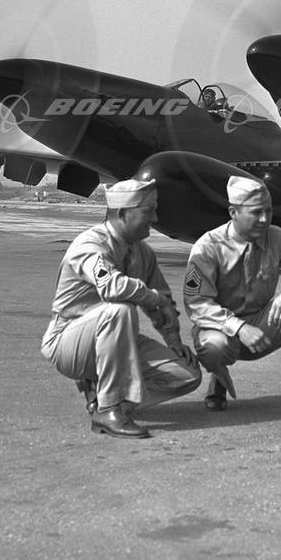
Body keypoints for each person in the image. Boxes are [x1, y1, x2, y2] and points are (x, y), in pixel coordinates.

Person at [40, 178, 202, 439]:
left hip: (115, 340)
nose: (155, 218)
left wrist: (174, 341)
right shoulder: (90, 245)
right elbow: (111, 287)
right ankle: (109, 409)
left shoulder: (143, 254)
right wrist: (151, 298)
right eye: (148, 211)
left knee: (186, 374)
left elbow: (163, 302)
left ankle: (107, 400)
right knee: (120, 310)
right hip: (70, 343)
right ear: (123, 213)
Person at [183, 176, 281, 420]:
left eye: (268, 211)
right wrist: (239, 328)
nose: (264, 219)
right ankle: (218, 379)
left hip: (263, 325)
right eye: (256, 212)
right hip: (221, 328)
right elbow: (197, 304)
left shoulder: (278, 238)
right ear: (233, 212)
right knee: (213, 347)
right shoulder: (208, 246)